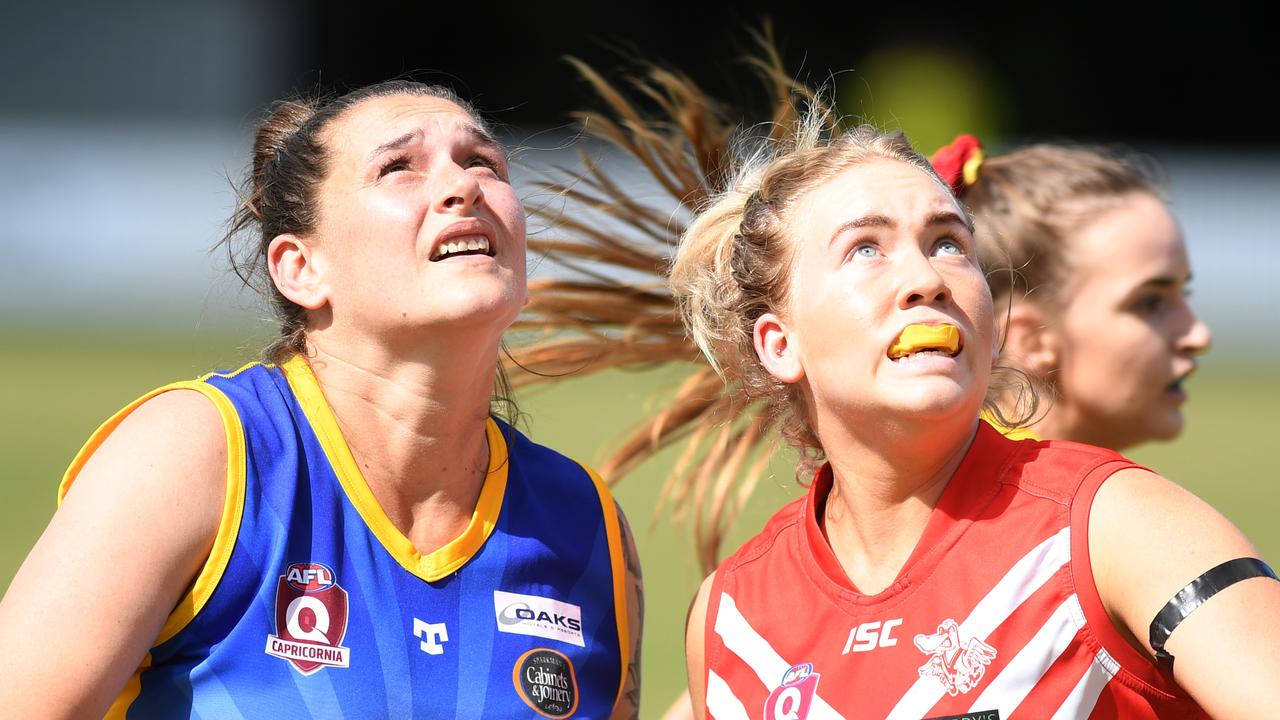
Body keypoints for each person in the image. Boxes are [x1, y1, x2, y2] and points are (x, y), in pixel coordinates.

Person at [0, 80, 641, 719]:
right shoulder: (201, 452)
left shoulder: (586, 524)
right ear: (301, 268)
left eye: (482, 162)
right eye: (397, 167)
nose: (464, 186)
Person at [674, 115, 1280, 718]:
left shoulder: (1116, 525)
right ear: (779, 345)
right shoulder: (732, 620)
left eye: (948, 244)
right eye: (865, 249)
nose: (926, 277)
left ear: (995, 333)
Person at [930, 134, 1213, 450]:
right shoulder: (1046, 497)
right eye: (1150, 303)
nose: (1199, 337)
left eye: (1183, 294)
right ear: (1031, 338)